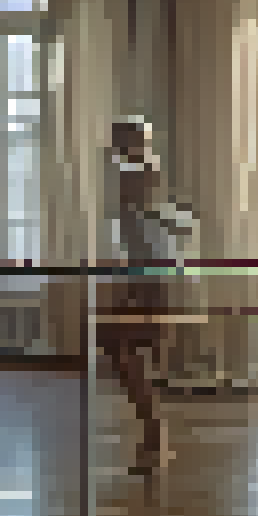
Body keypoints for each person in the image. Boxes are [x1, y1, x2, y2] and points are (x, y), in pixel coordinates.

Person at [102, 117, 198, 471]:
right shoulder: (141, 180)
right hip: (153, 272)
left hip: (154, 273)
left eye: (118, 141)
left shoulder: (138, 174)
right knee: (124, 347)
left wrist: (136, 286)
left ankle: (155, 436)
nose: (113, 149)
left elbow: (148, 240)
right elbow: (155, 230)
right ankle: (153, 435)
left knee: (123, 345)